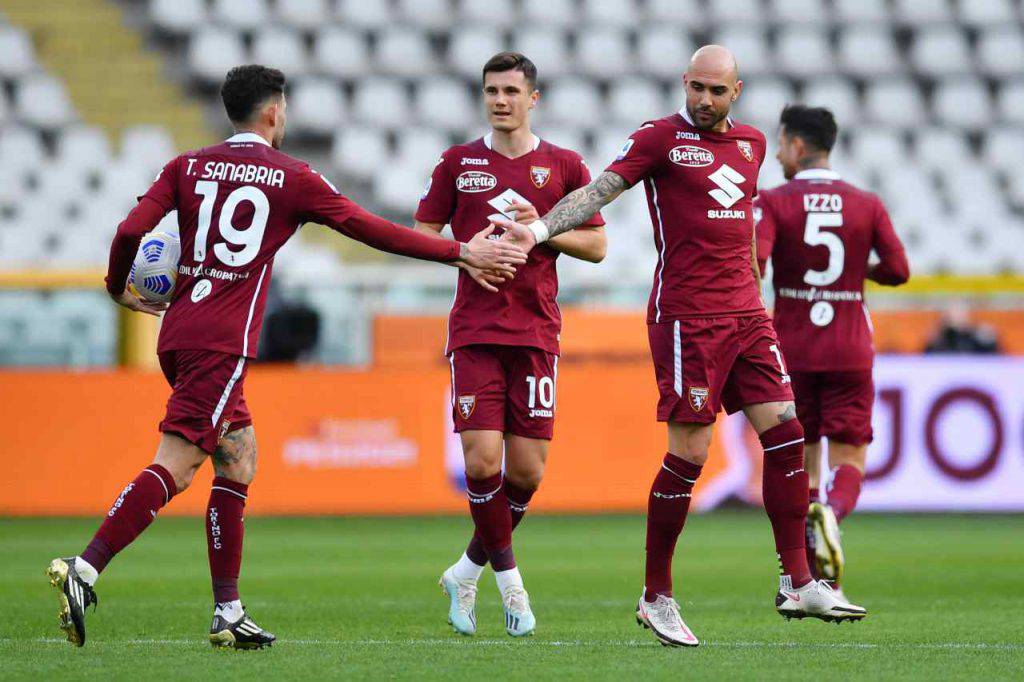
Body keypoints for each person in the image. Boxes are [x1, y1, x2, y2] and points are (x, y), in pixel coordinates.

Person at [45, 64, 526, 649]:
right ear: (274, 112)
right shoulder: (291, 176)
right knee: (177, 462)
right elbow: (369, 228)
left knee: (238, 458)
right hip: (222, 343)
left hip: (178, 330)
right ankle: (85, 568)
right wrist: (459, 253)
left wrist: (118, 286)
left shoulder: (185, 165)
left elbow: (128, 233)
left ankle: (228, 612)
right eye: (286, 110)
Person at [496, 45, 867, 648]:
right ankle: (655, 596)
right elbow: (598, 193)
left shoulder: (750, 147)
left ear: (736, 93)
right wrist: (538, 230)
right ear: (683, 83)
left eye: (716, 91)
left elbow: (746, 229)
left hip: (748, 316)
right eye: (695, 87)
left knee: (788, 432)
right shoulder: (659, 138)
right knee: (689, 456)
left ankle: (798, 580)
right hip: (687, 321)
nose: (703, 100)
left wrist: (756, 289)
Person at [414, 52, 606, 637]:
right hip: (474, 331)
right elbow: (422, 234)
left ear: (533, 98)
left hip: (536, 332)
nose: (500, 100)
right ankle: (511, 587)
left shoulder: (564, 165)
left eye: (511, 91)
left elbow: (598, 248)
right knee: (483, 461)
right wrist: (465, 252)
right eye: (491, 91)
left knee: (526, 473)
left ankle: (465, 572)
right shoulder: (457, 163)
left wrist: (543, 228)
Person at [755, 104, 909, 601]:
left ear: (797, 146)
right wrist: (855, 275)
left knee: (799, 461)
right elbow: (899, 268)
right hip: (850, 347)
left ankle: (802, 581)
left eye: (781, 143)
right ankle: (833, 515)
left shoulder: (774, 201)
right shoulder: (866, 203)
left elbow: (754, 259)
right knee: (850, 455)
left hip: (792, 347)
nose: (778, 152)